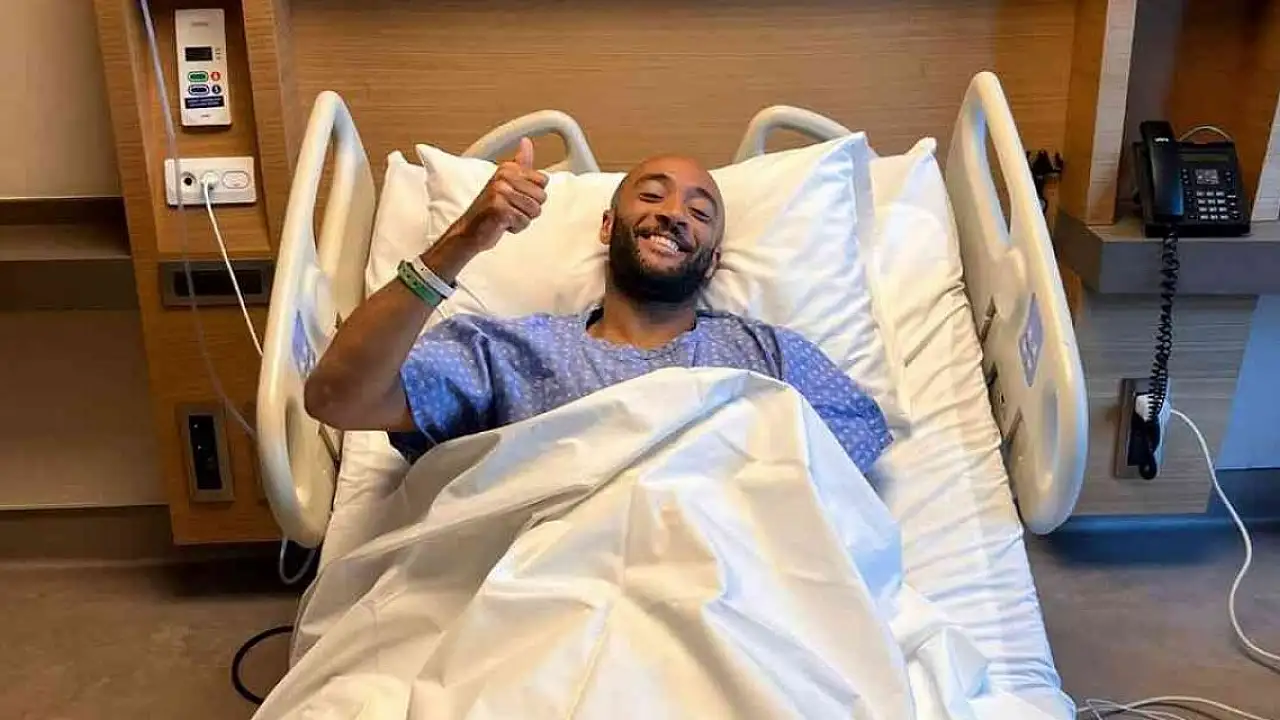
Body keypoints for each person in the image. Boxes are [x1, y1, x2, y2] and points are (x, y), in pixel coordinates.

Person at [305, 139, 892, 471]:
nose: (673, 214)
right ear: (608, 226)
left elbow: (855, 448)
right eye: (652, 195)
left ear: (713, 260)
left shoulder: (767, 355)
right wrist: (462, 241)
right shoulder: (507, 353)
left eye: (699, 212)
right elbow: (338, 398)